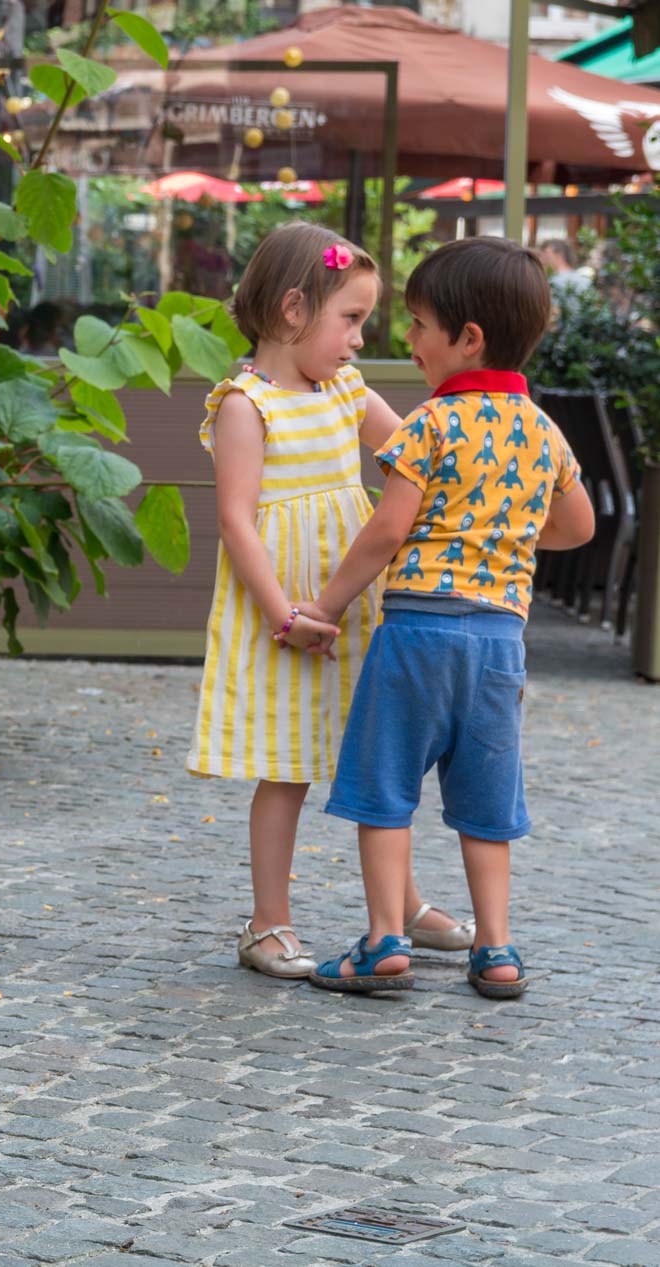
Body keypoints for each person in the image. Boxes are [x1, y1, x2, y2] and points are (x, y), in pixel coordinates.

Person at [303, 236, 595, 996]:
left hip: (417, 634)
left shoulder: (430, 425)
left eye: (421, 325)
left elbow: (387, 531)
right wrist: (509, 529)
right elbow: (579, 527)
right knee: (488, 802)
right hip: (500, 643)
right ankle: (496, 949)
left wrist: (326, 605)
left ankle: (384, 939)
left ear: (467, 339)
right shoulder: (542, 429)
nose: (409, 339)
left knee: (385, 786)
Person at [187, 222, 476, 980]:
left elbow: (417, 452)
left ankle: (403, 906)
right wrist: (286, 611)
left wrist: (486, 441)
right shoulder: (245, 405)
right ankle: (267, 922)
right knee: (286, 766)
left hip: (358, 602)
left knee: (383, 752)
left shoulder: (348, 390)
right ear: (292, 311)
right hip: (285, 614)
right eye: (349, 320)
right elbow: (236, 519)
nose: (357, 341)